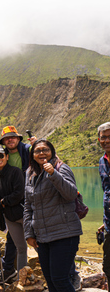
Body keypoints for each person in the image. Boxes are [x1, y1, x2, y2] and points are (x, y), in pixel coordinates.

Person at [24, 139, 82, 292]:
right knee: (50, 280)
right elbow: (28, 206)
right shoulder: (30, 173)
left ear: (52, 152)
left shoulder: (61, 168)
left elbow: (71, 195)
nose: (41, 153)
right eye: (37, 151)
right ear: (33, 155)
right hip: (43, 236)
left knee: (60, 279)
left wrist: (53, 174)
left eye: (45, 150)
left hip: (65, 233)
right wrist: (29, 233)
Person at [0, 125, 34, 285]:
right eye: (7, 138)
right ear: (4, 141)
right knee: (13, 240)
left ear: (18, 138)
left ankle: (64, 272)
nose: (10, 140)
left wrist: (37, 144)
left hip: (29, 199)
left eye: (13, 137)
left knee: (37, 239)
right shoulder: (3, 157)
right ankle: (13, 273)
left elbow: (48, 157)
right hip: (14, 205)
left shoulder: (28, 150)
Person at [0, 146, 27, 279]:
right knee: (21, 248)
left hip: (24, 215)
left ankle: (55, 273)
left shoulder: (16, 172)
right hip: (11, 218)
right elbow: (0, 201)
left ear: (7, 156)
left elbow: (19, 194)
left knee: (38, 244)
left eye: (1, 156)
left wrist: (2, 201)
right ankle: (22, 277)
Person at [96, 122, 110, 291]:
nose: (106, 140)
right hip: (109, 223)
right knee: (108, 265)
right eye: (103, 137)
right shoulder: (102, 161)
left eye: (109, 136)